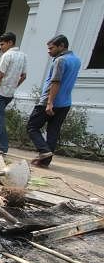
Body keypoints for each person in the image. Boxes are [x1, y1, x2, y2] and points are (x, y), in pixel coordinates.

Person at [27, 34, 81, 168]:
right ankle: (45, 161)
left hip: (49, 101)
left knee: (32, 127)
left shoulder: (60, 60)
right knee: (53, 131)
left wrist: (50, 102)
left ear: (61, 46)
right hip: (65, 103)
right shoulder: (76, 60)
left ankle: (44, 151)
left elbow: (56, 81)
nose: (49, 51)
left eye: (51, 48)